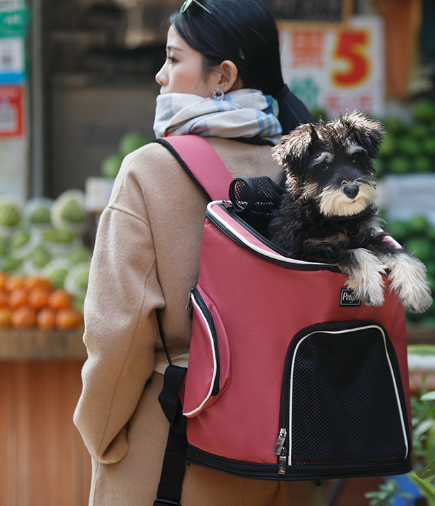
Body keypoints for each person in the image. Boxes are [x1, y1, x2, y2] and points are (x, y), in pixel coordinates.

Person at [73, 0, 328, 504]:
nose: (159, 74)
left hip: (174, 452)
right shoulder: (315, 171)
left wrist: (101, 435)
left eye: (173, 58)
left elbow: (118, 337)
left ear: (223, 76)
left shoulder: (149, 171)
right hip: (292, 453)